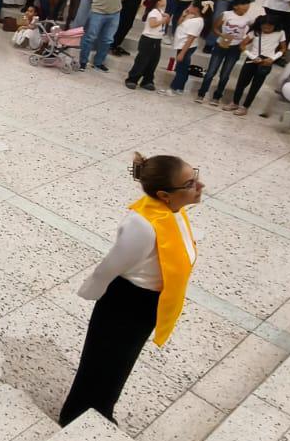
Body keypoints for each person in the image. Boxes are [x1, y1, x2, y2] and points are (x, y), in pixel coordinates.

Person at [60, 153, 202, 426]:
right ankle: (76, 416)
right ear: (164, 195)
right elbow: (113, 264)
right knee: (103, 363)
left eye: (194, 177)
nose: (199, 185)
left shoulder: (173, 212)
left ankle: (101, 411)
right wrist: (92, 289)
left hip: (148, 304)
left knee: (119, 365)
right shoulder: (143, 225)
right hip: (127, 304)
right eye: (190, 183)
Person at [196, 0, 254, 105]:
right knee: (211, 71)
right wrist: (222, 35)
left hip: (235, 48)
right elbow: (215, 27)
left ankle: (217, 96)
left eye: (247, 6)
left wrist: (244, 42)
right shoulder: (226, 14)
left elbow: (252, 32)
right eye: (244, 6)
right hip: (221, 44)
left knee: (225, 74)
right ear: (236, 6)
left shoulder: (248, 19)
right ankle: (201, 93)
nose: (246, 8)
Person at [226, 14, 286, 114]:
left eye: (269, 27)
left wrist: (273, 58)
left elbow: (283, 48)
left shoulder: (280, 33)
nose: (266, 29)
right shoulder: (255, 32)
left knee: (256, 86)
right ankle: (235, 102)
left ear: (275, 26)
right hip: (251, 59)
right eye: (264, 26)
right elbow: (242, 45)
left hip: (266, 61)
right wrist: (252, 56)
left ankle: (245, 107)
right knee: (241, 82)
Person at [161, 1, 210, 96]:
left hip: (186, 47)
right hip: (181, 45)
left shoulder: (198, 22)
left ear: (196, 9)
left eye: (191, 6)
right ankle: (180, 88)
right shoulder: (191, 17)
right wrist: (183, 16)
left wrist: (182, 53)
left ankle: (174, 88)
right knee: (182, 67)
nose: (188, 7)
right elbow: (179, 24)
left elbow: (191, 38)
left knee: (181, 69)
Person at [124, 0, 168, 92]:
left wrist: (165, 18)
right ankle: (132, 79)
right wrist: (163, 20)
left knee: (153, 61)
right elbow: (152, 24)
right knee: (142, 60)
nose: (165, 0)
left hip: (157, 40)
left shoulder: (161, 11)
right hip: (148, 40)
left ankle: (147, 80)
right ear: (158, 2)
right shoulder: (153, 12)